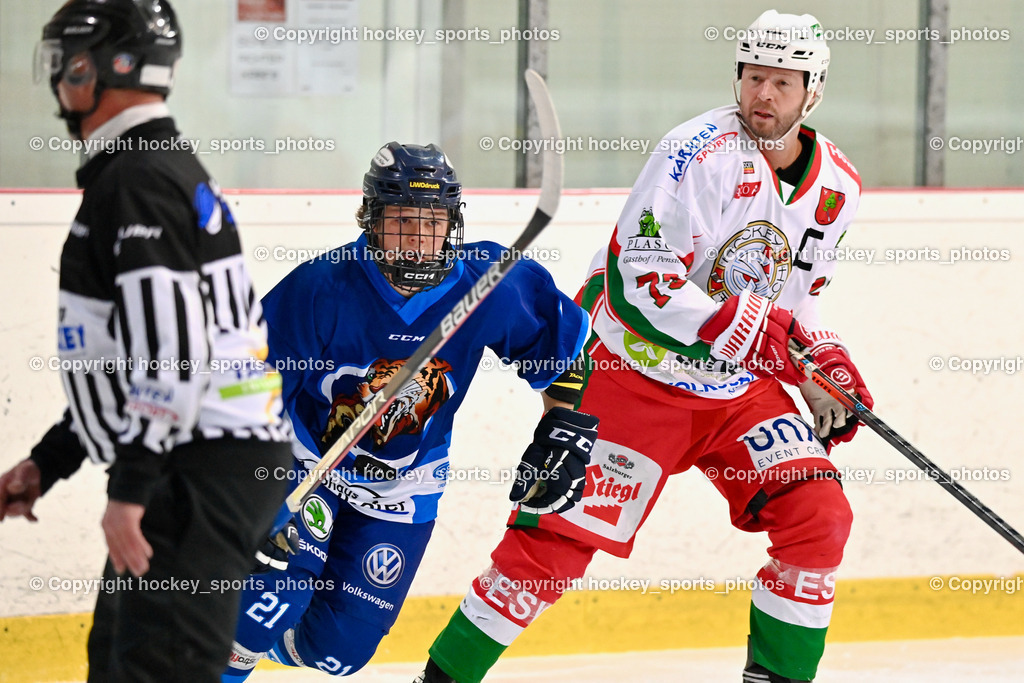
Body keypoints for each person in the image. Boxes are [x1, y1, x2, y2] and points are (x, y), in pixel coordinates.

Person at [419, 10, 872, 683]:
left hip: (735, 391)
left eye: (782, 82)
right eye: (753, 77)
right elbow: (640, 279)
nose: (763, 96)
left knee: (819, 516)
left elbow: (796, 301)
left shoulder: (837, 185)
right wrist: (751, 331)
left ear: (814, 91)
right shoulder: (696, 153)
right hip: (631, 374)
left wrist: (820, 362)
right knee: (548, 553)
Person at [221, 141, 597, 680]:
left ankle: (259, 640)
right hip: (303, 465)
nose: (418, 240)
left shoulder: (490, 281)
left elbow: (561, 353)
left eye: (432, 222)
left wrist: (562, 430)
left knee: (339, 653)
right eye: (400, 221)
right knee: (270, 594)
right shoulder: (320, 289)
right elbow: (245, 395)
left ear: (453, 224)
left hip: (402, 488)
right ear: (371, 222)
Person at [0, 1, 293, 680]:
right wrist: (50, 460)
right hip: (195, 463)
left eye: (67, 64)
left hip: (197, 469)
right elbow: (137, 357)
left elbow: (172, 351)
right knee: (118, 659)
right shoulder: (148, 167)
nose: (59, 83)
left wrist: (129, 490)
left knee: (156, 668)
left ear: (107, 67)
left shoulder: (137, 178)